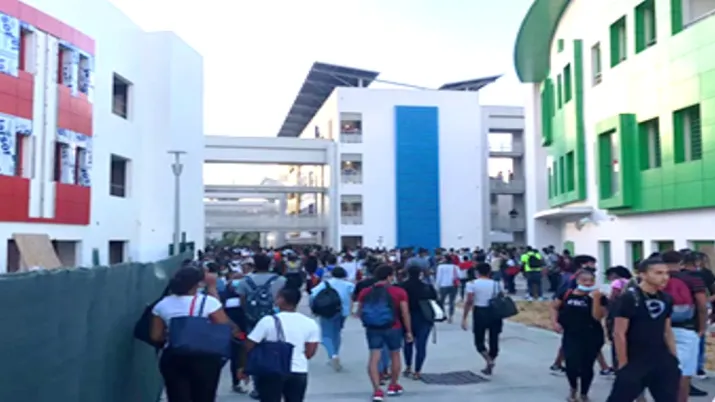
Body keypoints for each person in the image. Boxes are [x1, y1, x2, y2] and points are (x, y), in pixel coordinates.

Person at [151, 267, 235, 402]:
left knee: (177, 396)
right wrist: (212, 288)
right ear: (197, 284)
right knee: (204, 396)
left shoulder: (162, 304)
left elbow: (155, 336)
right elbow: (223, 325)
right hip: (205, 356)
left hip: (174, 355)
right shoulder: (208, 302)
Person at [606, 257, 680, 402]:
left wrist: (674, 357)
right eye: (658, 273)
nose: (664, 277)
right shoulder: (629, 297)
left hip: (661, 359)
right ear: (643, 274)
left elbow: (667, 330)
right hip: (635, 359)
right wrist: (623, 364)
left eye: (666, 273)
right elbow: (619, 333)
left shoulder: (666, 298)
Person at [247, 287, 320, 402]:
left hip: (271, 370)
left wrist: (244, 366)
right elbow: (310, 352)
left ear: (281, 300)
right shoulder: (310, 323)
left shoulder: (268, 321)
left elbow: (249, 344)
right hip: (298, 370)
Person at [356, 264, 413, 402]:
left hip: (373, 328)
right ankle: (393, 385)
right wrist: (409, 331)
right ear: (389, 276)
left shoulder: (365, 291)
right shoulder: (399, 291)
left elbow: (359, 312)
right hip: (394, 327)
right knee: (395, 355)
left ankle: (377, 390)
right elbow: (405, 313)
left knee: (374, 358)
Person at [551, 269, 607, 401]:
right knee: (571, 364)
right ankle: (573, 389)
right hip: (571, 334)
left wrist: (596, 299)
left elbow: (597, 317)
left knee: (587, 365)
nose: (588, 283)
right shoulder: (567, 294)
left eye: (591, 281)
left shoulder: (599, 297)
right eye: (584, 280)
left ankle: (584, 393)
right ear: (577, 281)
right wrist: (554, 322)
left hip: (592, 335)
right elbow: (554, 307)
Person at [661, 250, 708, 400]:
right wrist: (702, 328)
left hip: (658, 329)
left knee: (660, 371)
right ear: (681, 262)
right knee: (684, 372)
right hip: (685, 329)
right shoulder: (692, 279)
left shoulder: (656, 279)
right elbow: (702, 306)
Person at [310, 266, 355, 371]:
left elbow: (313, 295)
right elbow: (353, 296)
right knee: (337, 333)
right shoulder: (349, 285)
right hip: (342, 312)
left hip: (327, 311)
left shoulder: (325, 284)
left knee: (326, 335)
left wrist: (314, 308)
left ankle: (333, 355)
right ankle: (335, 353)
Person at [461, 263, 503, 376]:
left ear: (477, 272)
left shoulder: (471, 284)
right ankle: (490, 361)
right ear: (489, 272)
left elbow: (469, 301)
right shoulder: (497, 284)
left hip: (480, 311)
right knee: (494, 339)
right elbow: (501, 297)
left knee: (479, 340)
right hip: (495, 313)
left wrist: (464, 317)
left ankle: (488, 360)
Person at [399, 264, 438, 380]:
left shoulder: (401, 286)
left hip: (406, 317)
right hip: (424, 317)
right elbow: (435, 299)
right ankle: (418, 371)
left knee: (407, 343)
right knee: (421, 345)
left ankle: (408, 366)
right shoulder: (427, 287)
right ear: (420, 274)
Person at [435, 256, 459, 323]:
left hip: (443, 285)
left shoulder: (440, 267)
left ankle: (443, 315)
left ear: (445, 260)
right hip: (453, 285)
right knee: (452, 301)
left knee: (441, 301)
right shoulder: (455, 267)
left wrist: (437, 286)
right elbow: (458, 276)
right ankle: (451, 316)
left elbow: (439, 277)